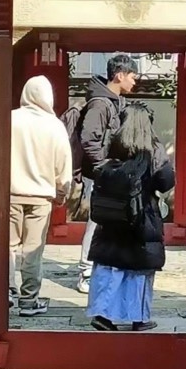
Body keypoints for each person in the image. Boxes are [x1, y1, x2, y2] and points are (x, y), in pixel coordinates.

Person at [86, 102, 175, 331]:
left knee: (110, 265)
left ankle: (103, 314)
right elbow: (165, 182)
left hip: (112, 216)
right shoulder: (152, 151)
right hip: (141, 217)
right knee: (139, 269)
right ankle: (138, 317)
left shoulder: (113, 146)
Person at [10, 75, 73, 316]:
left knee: (8, 247)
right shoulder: (54, 125)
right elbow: (63, 163)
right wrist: (62, 192)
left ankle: (6, 292)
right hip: (41, 197)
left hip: (10, 193)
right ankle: (28, 300)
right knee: (33, 249)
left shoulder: (11, 119)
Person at [76, 53, 139, 294]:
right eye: (132, 76)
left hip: (111, 172)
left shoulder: (114, 102)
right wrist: (103, 166)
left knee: (105, 221)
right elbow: (88, 139)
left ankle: (99, 267)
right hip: (101, 175)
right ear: (120, 75)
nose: (135, 81)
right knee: (96, 221)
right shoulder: (100, 104)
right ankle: (85, 271)